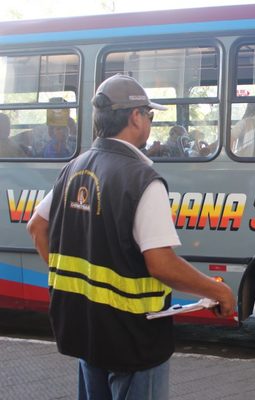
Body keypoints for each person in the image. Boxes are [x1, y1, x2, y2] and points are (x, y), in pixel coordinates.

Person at [26, 74, 235, 400]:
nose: (150, 122)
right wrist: (216, 291)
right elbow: (161, 264)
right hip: (133, 337)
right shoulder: (142, 179)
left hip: (86, 329)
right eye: (150, 115)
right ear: (135, 117)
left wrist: (67, 279)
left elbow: (36, 227)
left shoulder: (73, 167)